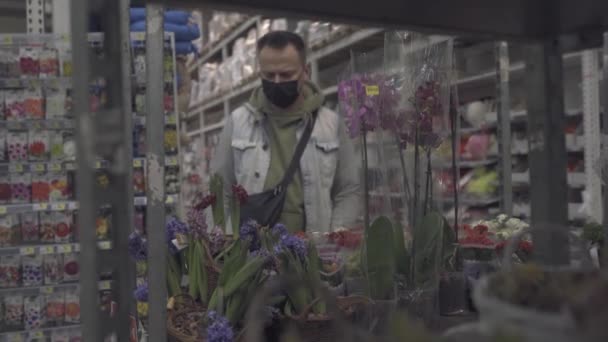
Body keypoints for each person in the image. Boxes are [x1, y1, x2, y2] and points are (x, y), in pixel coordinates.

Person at [212, 30, 360, 233]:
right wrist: (227, 248)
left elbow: (348, 190)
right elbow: (221, 192)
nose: (277, 82)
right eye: (269, 75)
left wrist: (335, 236)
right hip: (252, 256)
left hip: (311, 255)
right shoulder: (238, 123)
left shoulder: (331, 124)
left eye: (286, 74)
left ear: (305, 71)